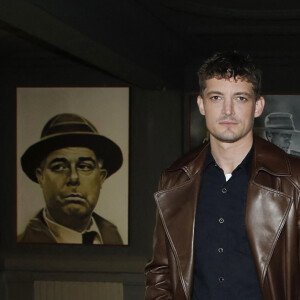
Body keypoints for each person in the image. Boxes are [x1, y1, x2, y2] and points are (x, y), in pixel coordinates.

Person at [145, 51, 300, 299]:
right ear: (201, 104)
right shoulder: (175, 179)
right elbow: (161, 271)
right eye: (216, 97)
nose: (228, 111)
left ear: (257, 106)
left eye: (240, 98)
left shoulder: (293, 180)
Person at [18, 113, 123, 245]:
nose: (73, 178)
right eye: (59, 167)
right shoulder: (22, 244)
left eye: (85, 167)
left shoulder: (116, 238)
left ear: (101, 178)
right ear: (41, 176)